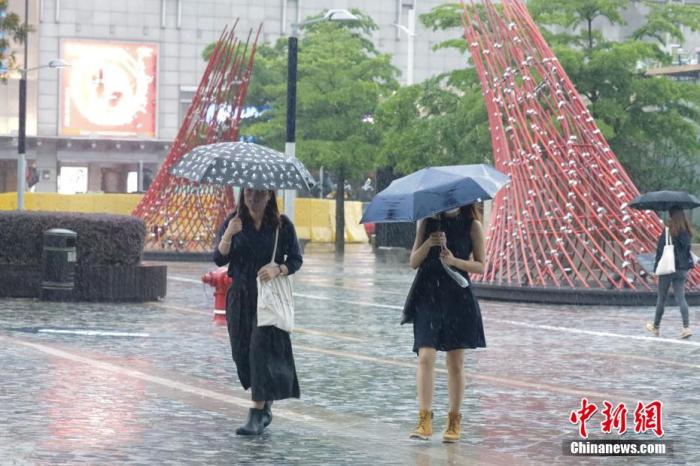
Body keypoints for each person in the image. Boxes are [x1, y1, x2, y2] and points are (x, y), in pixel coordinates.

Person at [214, 188, 303, 435]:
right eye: (249, 193)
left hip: (266, 298)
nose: (253, 198)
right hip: (239, 297)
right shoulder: (234, 222)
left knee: (259, 350)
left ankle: (256, 412)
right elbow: (218, 259)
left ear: (269, 196)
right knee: (241, 354)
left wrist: (279, 269)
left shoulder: (281, 225)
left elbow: (296, 259)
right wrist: (229, 235)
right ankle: (265, 401)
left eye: (259, 194)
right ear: (243, 195)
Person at [402, 204, 486, 443]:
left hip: (458, 297)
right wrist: (429, 243)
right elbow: (413, 261)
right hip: (427, 295)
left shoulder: (473, 225)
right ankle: (424, 420)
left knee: (455, 363)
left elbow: (481, 265)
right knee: (425, 356)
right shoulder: (428, 223)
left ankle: (453, 421)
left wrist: (454, 260)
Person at [646, 206, 694, 339]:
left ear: (671, 216)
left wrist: (656, 270)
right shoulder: (687, 232)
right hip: (682, 269)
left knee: (662, 298)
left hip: (668, 268)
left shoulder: (668, 231)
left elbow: (660, 252)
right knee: (681, 298)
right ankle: (686, 327)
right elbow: (687, 251)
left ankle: (656, 327)